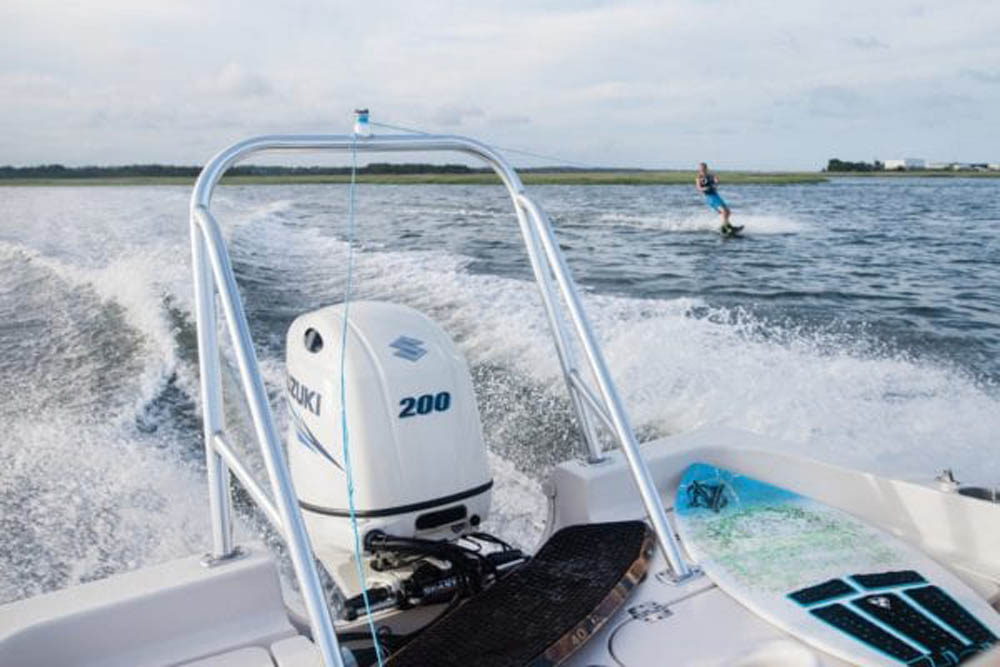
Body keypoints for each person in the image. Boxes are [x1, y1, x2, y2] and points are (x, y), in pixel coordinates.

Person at [695, 162, 734, 233]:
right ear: (699, 169)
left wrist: (716, 181)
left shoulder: (710, 175)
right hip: (710, 197)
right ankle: (724, 227)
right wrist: (706, 188)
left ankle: (727, 225)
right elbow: (699, 188)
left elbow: (716, 181)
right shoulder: (699, 178)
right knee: (724, 211)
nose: (702, 170)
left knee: (728, 212)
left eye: (703, 169)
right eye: (701, 169)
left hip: (716, 195)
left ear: (706, 169)